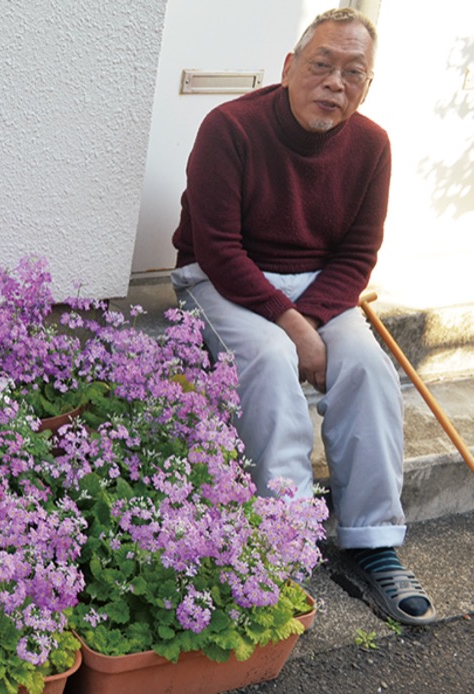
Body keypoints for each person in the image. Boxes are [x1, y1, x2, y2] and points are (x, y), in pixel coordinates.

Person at [169, 7, 436, 626]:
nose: (335, 83)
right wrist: (291, 327)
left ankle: (374, 543)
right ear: (290, 67)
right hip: (221, 278)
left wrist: (307, 318)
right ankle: (281, 547)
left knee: (368, 365)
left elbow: (357, 255)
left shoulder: (372, 145)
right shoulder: (229, 127)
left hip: (318, 288)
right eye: (321, 65)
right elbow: (217, 247)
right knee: (265, 357)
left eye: (353, 73)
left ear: (368, 87)